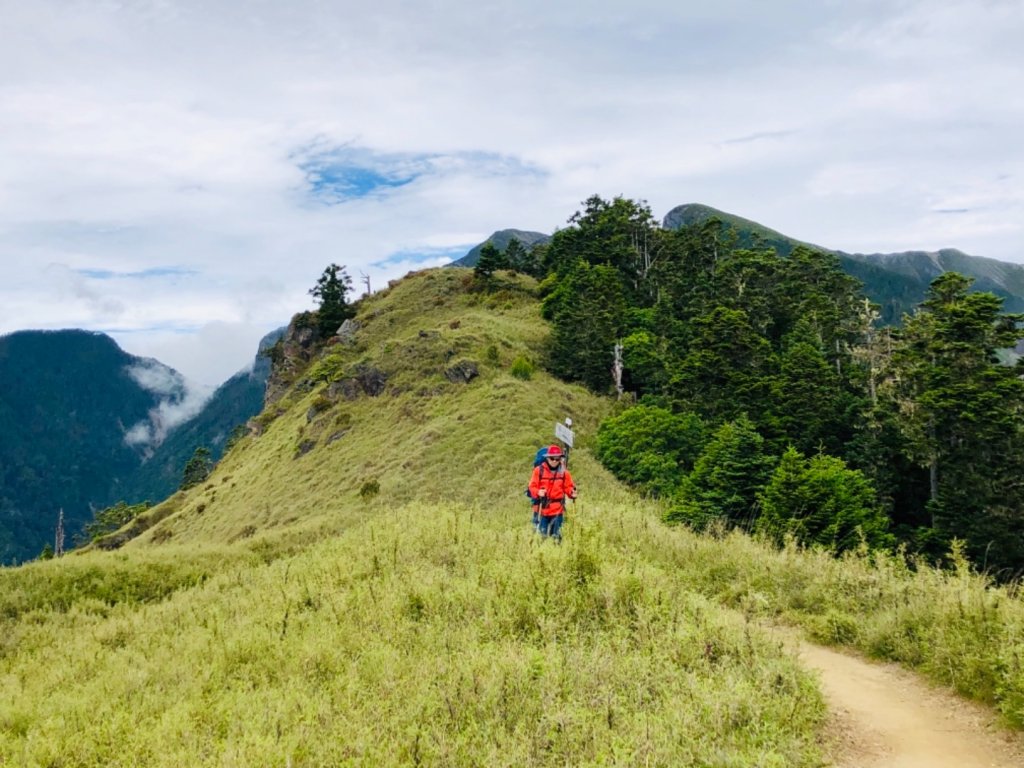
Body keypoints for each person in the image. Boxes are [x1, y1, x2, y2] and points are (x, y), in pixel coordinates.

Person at [528, 444, 576, 542]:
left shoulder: (564, 473)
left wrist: (572, 493)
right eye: (552, 458)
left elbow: (568, 487)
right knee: (542, 538)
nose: (554, 461)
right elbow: (532, 487)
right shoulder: (539, 470)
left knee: (557, 538)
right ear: (547, 458)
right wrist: (538, 492)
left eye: (557, 459)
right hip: (542, 510)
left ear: (560, 459)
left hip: (557, 510)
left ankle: (556, 554)